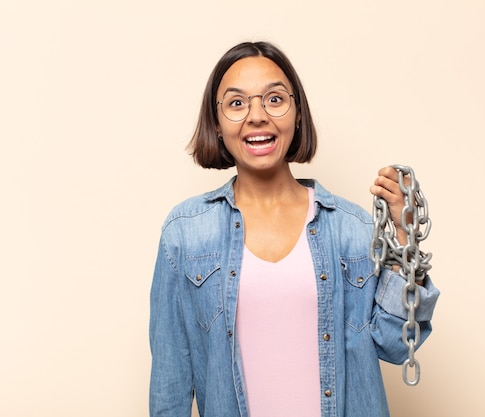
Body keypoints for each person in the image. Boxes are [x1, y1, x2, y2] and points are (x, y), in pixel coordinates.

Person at [149, 41, 440, 417]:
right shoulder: (185, 233)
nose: (257, 116)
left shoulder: (350, 229)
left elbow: (396, 345)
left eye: (274, 99)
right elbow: (170, 383)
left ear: (297, 113)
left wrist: (403, 238)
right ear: (217, 124)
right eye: (237, 103)